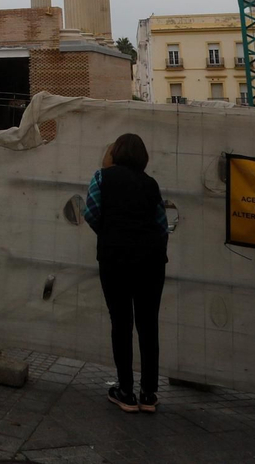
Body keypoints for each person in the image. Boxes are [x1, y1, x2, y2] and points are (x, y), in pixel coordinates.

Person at [82, 132, 168, 414]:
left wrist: (111, 233)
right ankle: (149, 393)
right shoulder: (151, 184)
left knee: (121, 322)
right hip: (151, 262)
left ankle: (126, 391)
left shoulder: (102, 177)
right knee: (148, 324)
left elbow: (91, 212)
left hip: (114, 259)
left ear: (116, 153)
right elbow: (161, 223)